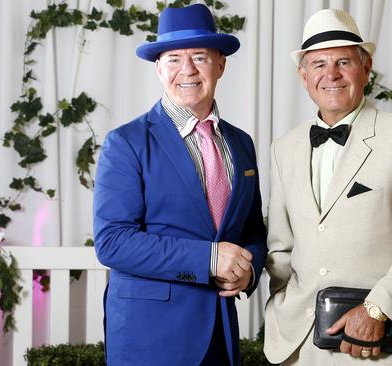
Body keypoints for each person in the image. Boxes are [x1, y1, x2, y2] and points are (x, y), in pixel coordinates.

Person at [263, 8, 392, 365]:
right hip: (299, 347)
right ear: (303, 76)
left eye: (343, 62)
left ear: (366, 70)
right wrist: (281, 310)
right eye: (318, 64)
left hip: (375, 346)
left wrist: (378, 310)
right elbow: (281, 248)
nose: (330, 74)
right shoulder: (283, 148)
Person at [93, 4, 267, 365]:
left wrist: (249, 271)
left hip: (220, 332)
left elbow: (251, 229)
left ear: (220, 64)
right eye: (173, 58)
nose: (186, 69)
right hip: (150, 337)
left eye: (199, 57)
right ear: (159, 68)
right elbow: (112, 242)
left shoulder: (241, 143)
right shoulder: (126, 142)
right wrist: (209, 258)